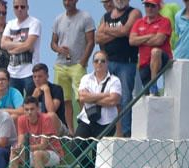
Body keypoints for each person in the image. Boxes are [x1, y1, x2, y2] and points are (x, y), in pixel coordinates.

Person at [8, 97, 64, 168]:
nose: (29, 112)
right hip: (32, 153)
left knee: (38, 153)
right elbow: (21, 141)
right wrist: (18, 148)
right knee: (14, 153)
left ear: (38, 109)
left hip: (53, 153)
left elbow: (43, 145)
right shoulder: (21, 120)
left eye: (32, 109)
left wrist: (24, 147)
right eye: (26, 109)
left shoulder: (46, 119)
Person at [97, 0, 141, 137]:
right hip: (108, 63)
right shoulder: (106, 16)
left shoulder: (134, 13)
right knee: (106, 97)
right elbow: (98, 38)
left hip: (126, 63)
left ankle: (125, 132)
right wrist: (118, 32)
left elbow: (126, 30)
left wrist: (107, 31)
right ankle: (107, 131)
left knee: (125, 98)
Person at [51, 0, 96, 131]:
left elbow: (91, 42)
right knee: (65, 100)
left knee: (81, 97)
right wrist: (59, 49)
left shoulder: (86, 17)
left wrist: (83, 61)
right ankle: (71, 132)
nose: (67, 2)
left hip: (77, 65)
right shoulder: (58, 19)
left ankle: (86, 127)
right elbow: (53, 43)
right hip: (60, 65)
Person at [74, 52, 121, 168]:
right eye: (96, 61)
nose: (99, 63)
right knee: (75, 148)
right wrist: (104, 95)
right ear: (92, 63)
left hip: (106, 122)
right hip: (87, 119)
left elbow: (113, 100)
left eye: (102, 61)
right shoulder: (86, 78)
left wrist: (92, 98)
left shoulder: (115, 80)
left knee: (98, 155)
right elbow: (82, 97)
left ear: (107, 63)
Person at [129, 0, 172, 96]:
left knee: (155, 51)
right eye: (147, 5)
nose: (149, 8)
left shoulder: (165, 21)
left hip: (162, 59)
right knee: (146, 97)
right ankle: (153, 90)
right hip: (145, 63)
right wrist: (149, 36)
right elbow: (131, 41)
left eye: (153, 6)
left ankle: (153, 85)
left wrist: (140, 40)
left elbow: (158, 41)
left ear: (158, 7)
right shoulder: (139, 22)